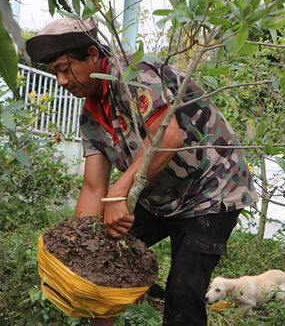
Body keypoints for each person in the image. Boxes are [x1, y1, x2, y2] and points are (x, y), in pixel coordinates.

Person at [26, 17, 258, 326]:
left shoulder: (135, 74)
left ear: (93, 55)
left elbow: (168, 137)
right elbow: (94, 188)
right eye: (54, 72)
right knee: (104, 252)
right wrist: (80, 250)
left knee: (183, 292)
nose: (61, 82)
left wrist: (119, 192)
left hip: (211, 189)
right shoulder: (92, 116)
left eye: (64, 69)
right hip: (158, 194)